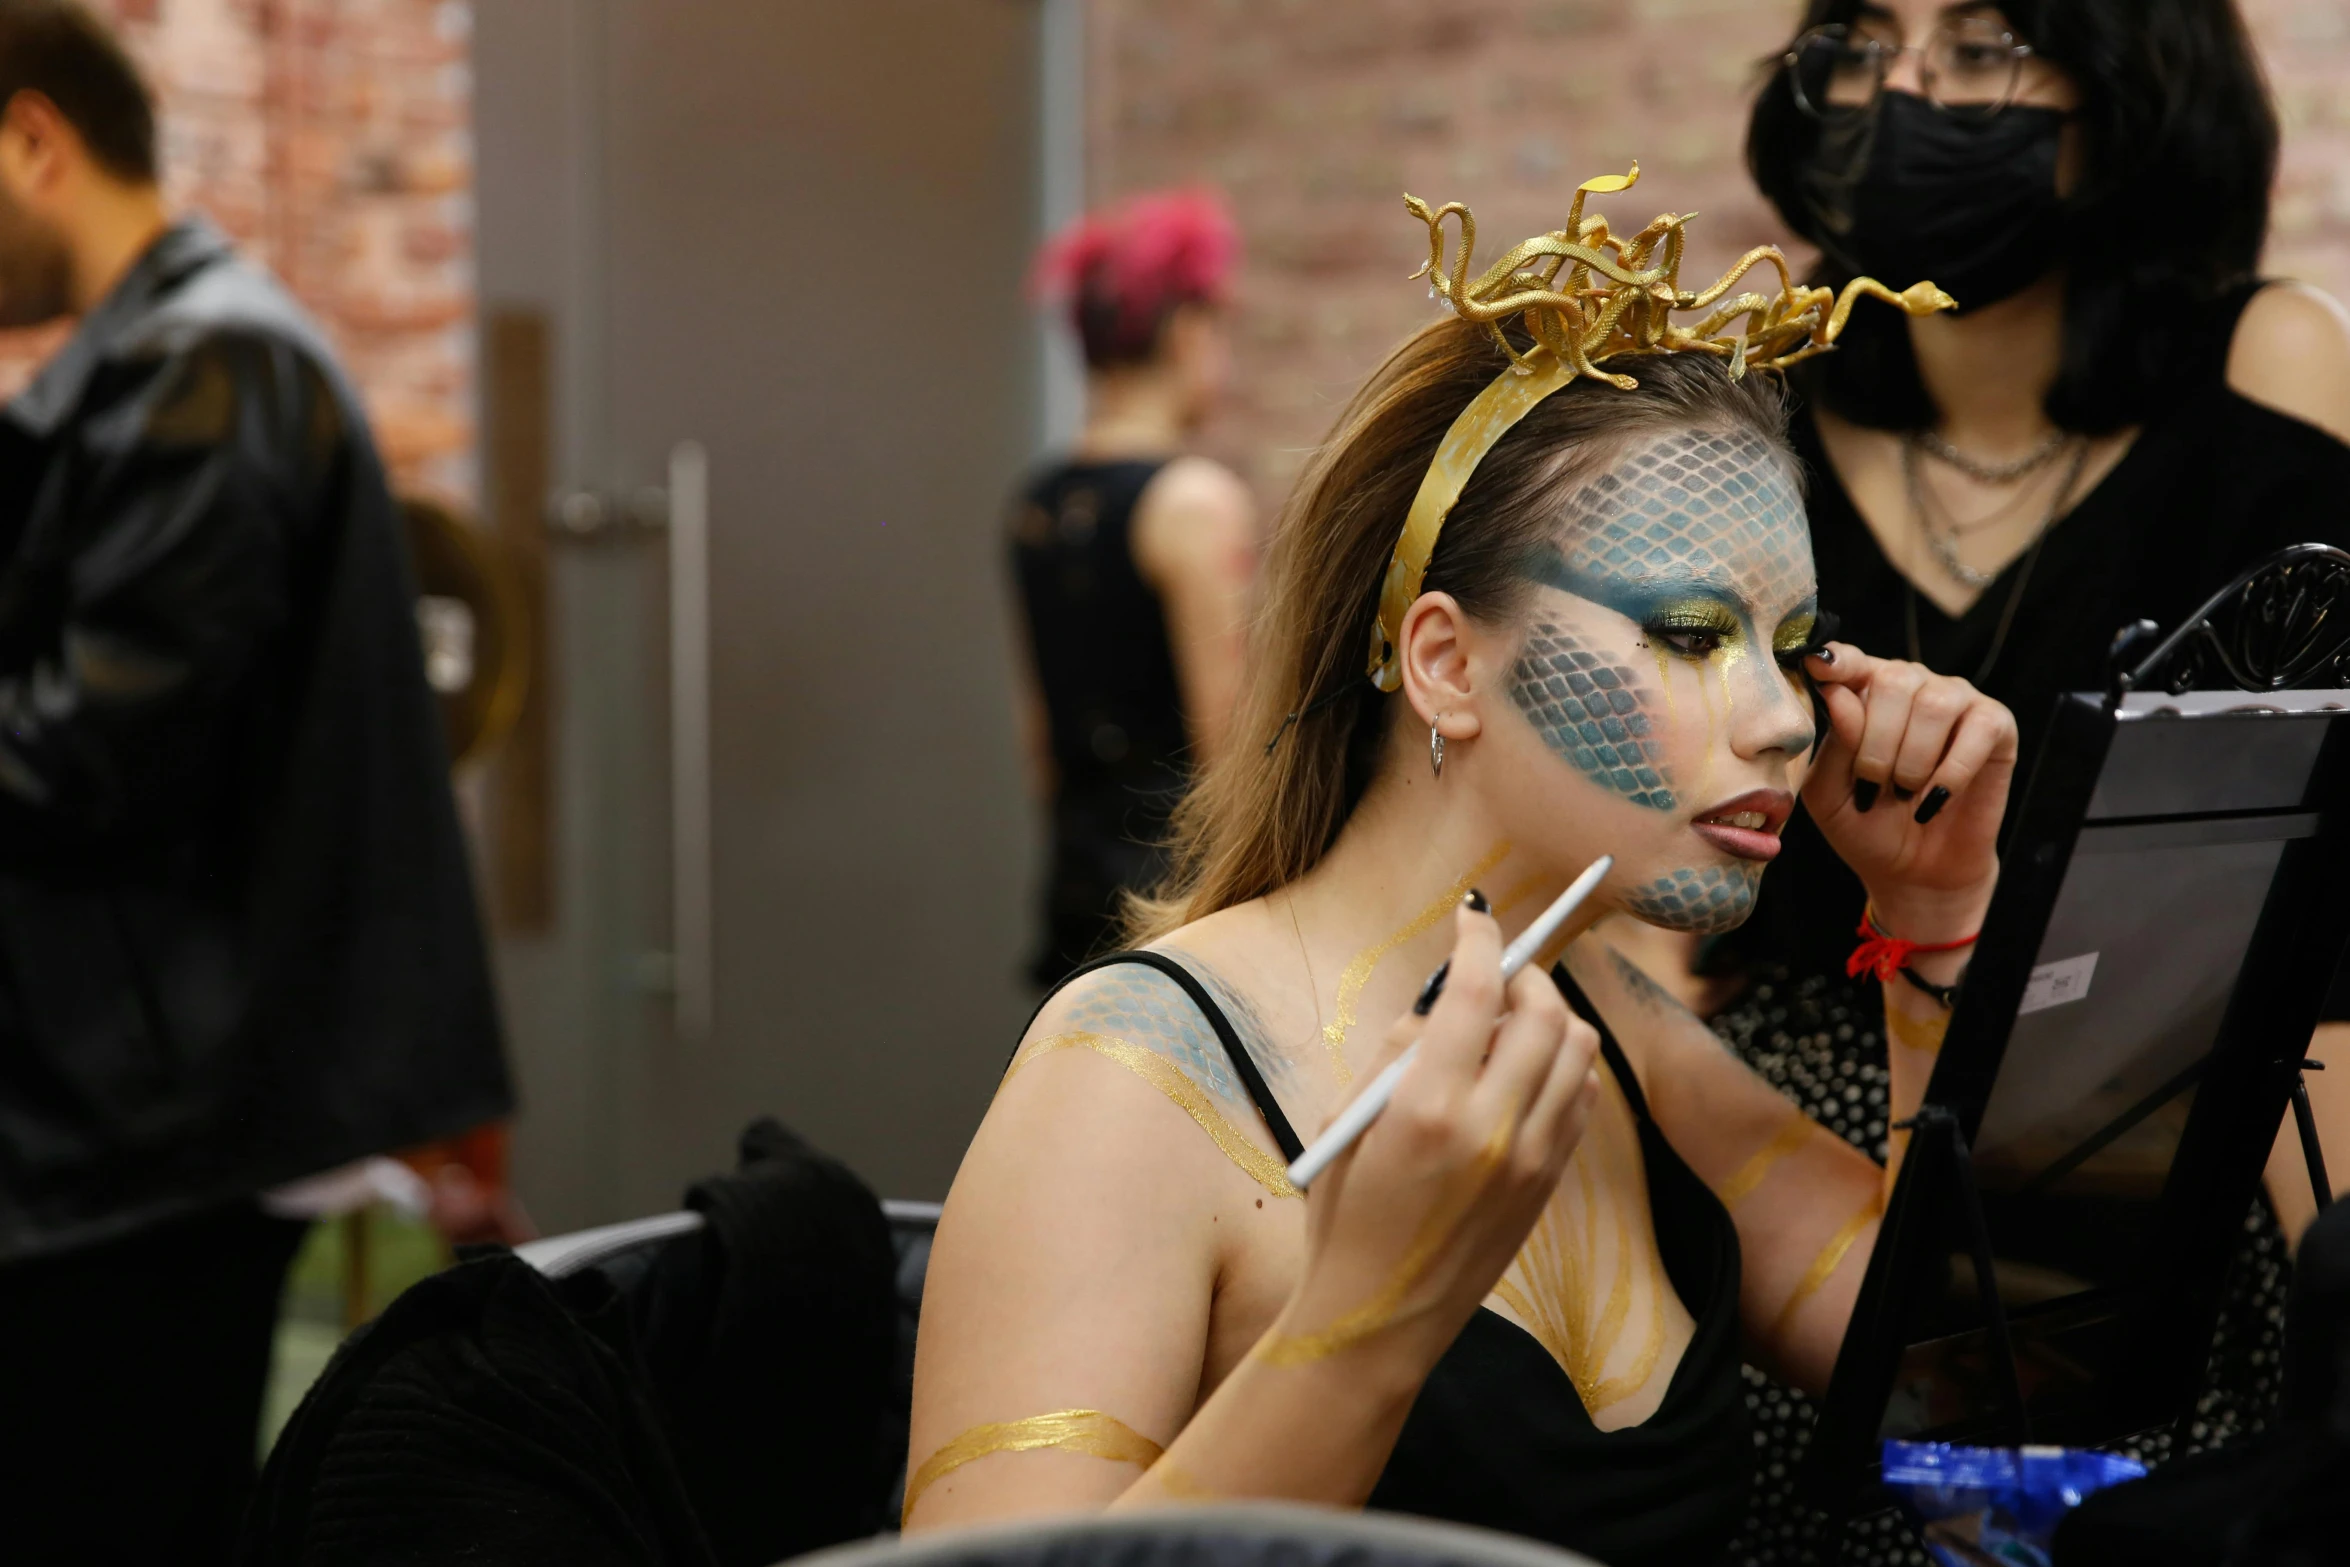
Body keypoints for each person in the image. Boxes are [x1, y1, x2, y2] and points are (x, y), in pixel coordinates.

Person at [906, 171, 2018, 1563]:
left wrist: (1933, 920)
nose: (1785, 716)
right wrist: (1367, 1317)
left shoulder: (1613, 1027)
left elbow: (1969, 1369)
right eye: (1686, 632)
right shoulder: (1129, 1081)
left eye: (1791, 643)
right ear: (1443, 659)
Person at [1714, 3, 2350, 1558]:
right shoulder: (1746, 386)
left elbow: (2312, 911)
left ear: (2125, 81)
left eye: (1986, 42)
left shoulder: (2261, 370)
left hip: (2138, 1132)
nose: (1910, 90)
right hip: (1797, 1141)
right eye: (1864, 40)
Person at [0, 5, 510, 1560]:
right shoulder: (162, 360)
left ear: (33, 143)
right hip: (129, 1102)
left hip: (152, 1127)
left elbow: (94, 752)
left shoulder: (206, 370)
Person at [1012, 188, 1256, 986]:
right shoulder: (1195, 502)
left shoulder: (1036, 505)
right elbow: (1229, 749)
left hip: (1076, 880)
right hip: (1177, 899)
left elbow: (1042, 743)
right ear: (1188, 330)